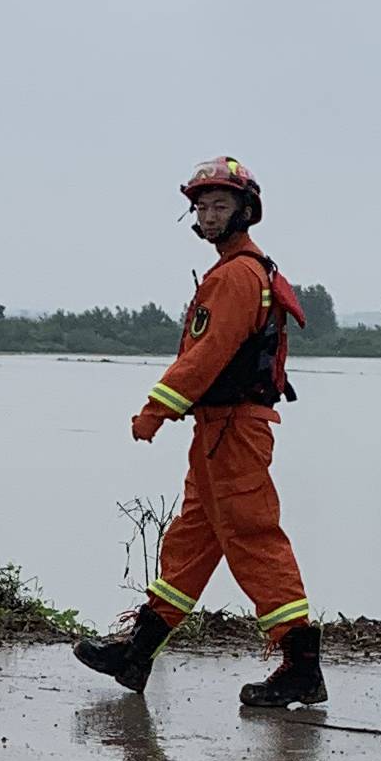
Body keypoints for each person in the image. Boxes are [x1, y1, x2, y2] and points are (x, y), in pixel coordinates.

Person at [73, 154, 323, 712]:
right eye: (202, 207)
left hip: (235, 430)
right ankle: (137, 653)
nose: (209, 216)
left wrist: (155, 409)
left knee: (254, 540)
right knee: (190, 542)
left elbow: (207, 355)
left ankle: (301, 667)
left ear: (245, 210)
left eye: (219, 206)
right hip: (218, 430)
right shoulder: (238, 270)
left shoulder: (236, 275)